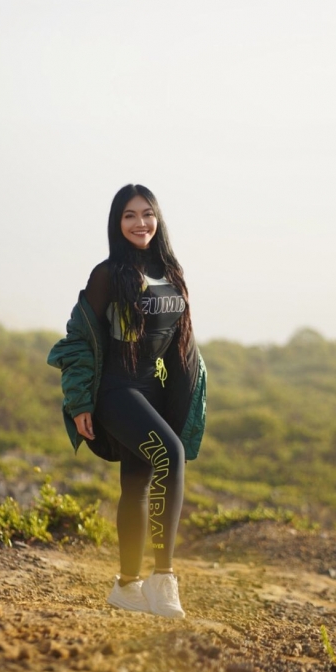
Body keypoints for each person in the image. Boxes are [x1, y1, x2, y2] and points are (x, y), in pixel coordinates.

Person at [47, 184, 206, 619]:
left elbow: (178, 347)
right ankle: (163, 578)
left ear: (158, 219)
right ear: (117, 224)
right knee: (169, 454)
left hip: (149, 389)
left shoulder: (171, 271)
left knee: (137, 481)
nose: (141, 223)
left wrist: (184, 400)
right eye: (130, 216)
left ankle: (126, 586)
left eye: (147, 214)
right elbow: (78, 338)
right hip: (115, 390)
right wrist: (80, 402)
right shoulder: (108, 274)